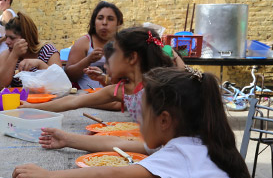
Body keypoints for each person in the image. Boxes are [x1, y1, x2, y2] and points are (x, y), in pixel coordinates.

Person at [14, 66, 264, 178]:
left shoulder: (181, 155)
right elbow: (120, 146)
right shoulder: (202, 141)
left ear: (164, 120)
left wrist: (47, 176)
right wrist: (68, 139)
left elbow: (111, 177)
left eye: (141, 114)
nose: (137, 121)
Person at [22, 28, 173, 124]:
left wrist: (70, 140)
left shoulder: (155, 91)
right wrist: (33, 108)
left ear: (132, 58)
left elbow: (149, 147)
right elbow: (74, 101)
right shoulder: (123, 90)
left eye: (110, 59)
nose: (105, 66)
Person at [65, 1, 124, 90]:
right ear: (94, 22)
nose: (104, 22)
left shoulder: (123, 44)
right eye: (100, 18)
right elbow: (70, 75)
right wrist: (88, 60)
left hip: (113, 95)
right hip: (86, 95)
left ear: (118, 23)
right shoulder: (84, 42)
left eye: (110, 19)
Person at [0, 12, 62, 89]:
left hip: (47, 99)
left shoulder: (47, 51)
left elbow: (60, 81)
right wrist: (14, 55)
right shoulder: (6, 55)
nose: (7, 42)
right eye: (6, 37)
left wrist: (39, 64)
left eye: (12, 38)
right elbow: (0, 85)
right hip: (19, 99)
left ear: (27, 38)